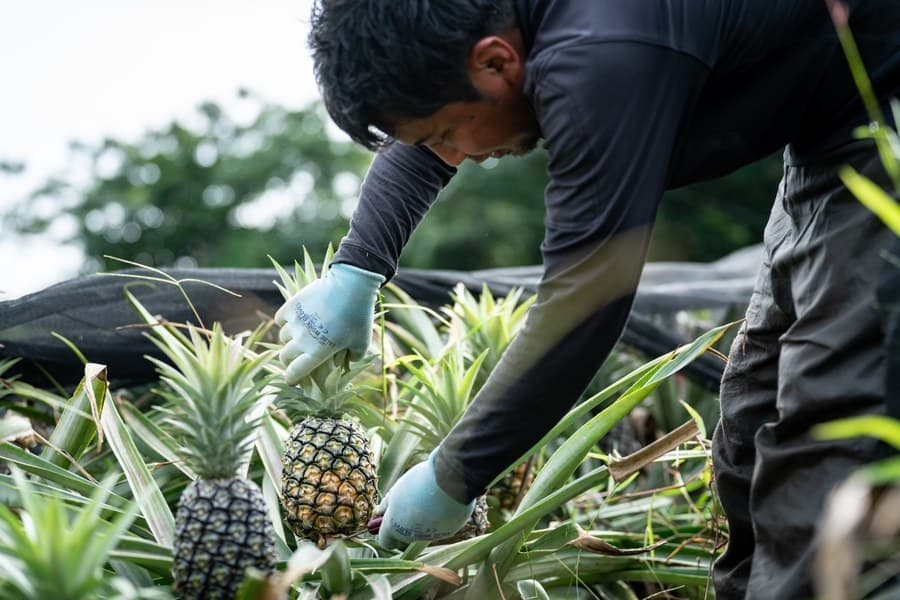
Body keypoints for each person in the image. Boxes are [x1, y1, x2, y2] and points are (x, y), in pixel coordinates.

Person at [274, 1, 900, 597]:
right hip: (831, 127)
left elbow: (586, 300)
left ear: (496, 63)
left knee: (827, 433)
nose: (458, 158)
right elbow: (434, 120)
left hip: (884, 104)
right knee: (753, 424)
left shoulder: (601, 52)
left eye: (446, 135)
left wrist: (454, 474)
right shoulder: (497, 26)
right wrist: (357, 266)